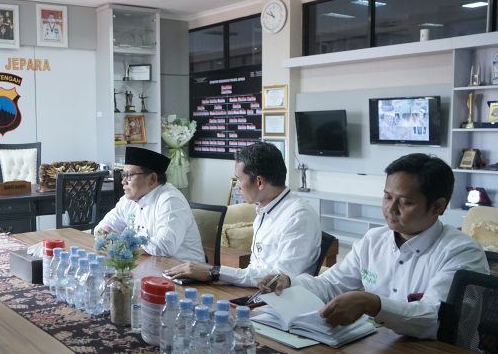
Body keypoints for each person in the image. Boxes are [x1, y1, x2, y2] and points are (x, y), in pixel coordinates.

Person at [258, 153, 489, 339]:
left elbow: (434, 320)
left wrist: (373, 304)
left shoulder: (461, 252)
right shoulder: (374, 240)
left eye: (405, 202)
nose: (391, 209)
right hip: (379, 346)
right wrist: (289, 282)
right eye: (387, 197)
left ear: (438, 207)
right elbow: (330, 284)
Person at [164, 142, 321, 285]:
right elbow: (255, 269)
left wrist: (214, 272)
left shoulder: (298, 216)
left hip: (279, 301)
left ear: (259, 182)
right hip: (255, 292)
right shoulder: (264, 209)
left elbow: (277, 280)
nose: (237, 186)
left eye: (239, 179)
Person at [94, 147, 204, 263]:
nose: (123, 181)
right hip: (151, 264)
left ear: (152, 179)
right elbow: (107, 224)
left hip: (184, 272)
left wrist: (125, 243)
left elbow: (164, 246)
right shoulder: (128, 200)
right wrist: (104, 233)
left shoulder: (170, 200)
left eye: (129, 175)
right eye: (123, 175)